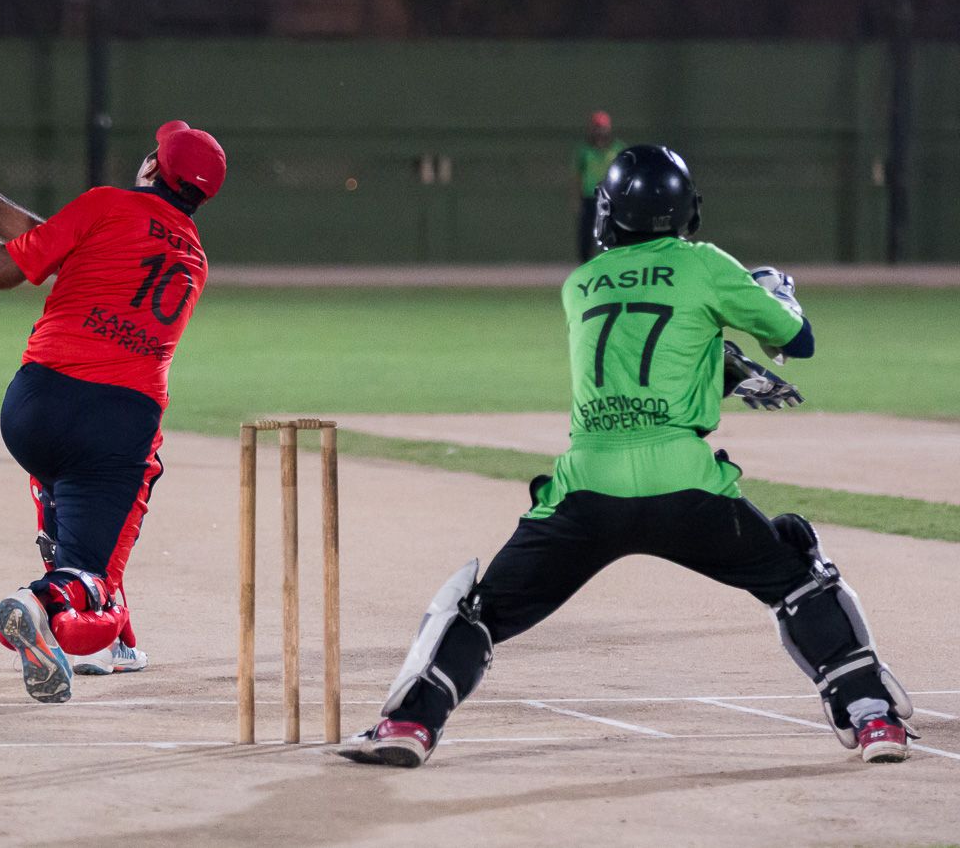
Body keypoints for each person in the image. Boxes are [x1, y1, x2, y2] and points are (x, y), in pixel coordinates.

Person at [340, 145, 914, 768]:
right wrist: (775, 299)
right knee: (798, 576)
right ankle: (873, 719)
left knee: (483, 611)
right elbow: (798, 341)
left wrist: (717, 364)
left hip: (589, 488)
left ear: (608, 212)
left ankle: (409, 725)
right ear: (687, 210)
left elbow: (633, 360)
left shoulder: (579, 285)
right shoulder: (704, 264)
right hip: (685, 488)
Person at [0, 120, 226, 703]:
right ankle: (45, 606)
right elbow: (48, 242)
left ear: (153, 167)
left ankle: (77, 621)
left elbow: (6, 266)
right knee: (92, 582)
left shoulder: (106, 206)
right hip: (117, 424)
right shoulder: (195, 259)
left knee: (66, 510)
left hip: (34, 409)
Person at [573, 110, 625, 263]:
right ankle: (585, 265)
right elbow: (577, 176)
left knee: (612, 234)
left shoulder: (618, 148)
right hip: (590, 198)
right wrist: (576, 199)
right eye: (596, 127)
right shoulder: (584, 150)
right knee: (586, 235)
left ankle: (611, 264)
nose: (599, 131)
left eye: (602, 127)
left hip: (611, 199)